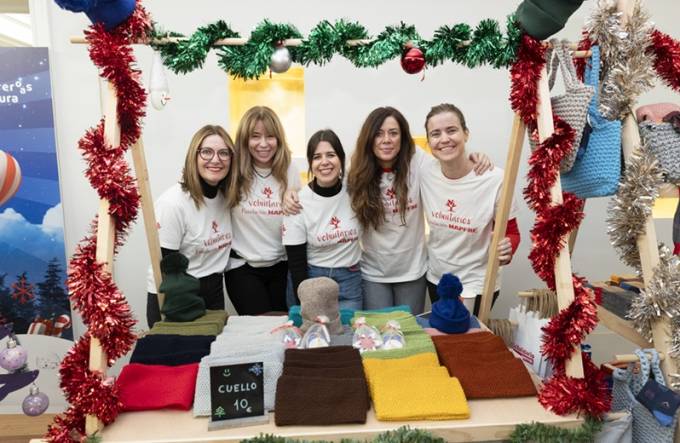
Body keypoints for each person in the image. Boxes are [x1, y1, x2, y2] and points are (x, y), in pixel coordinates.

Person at [346, 107, 491, 314]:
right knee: (380, 330)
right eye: (378, 134)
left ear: (403, 137)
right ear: (369, 138)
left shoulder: (417, 161)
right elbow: (330, 193)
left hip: (413, 271)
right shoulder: (356, 171)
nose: (386, 140)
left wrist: (475, 157)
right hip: (373, 272)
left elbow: (449, 163)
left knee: (411, 329)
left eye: (393, 133)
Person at [420, 103, 520, 316]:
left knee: (469, 335)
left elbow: (512, 232)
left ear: (466, 133)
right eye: (435, 134)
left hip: (478, 283)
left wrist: (507, 248)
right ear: (428, 142)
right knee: (444, 332)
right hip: (438, 279)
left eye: (452, 130)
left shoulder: (495, 179)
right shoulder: (425, 172)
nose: (444, 139)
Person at [146, 125, 235, 327]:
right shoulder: (173, 204)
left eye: (223, 153)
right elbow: (165, 265)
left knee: (213, 348)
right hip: (176, 296)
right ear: (193, 156)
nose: (216, 159)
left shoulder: (226, 198)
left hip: (213, 291)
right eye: (207, 152)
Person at [225, 106, 300, 315]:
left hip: (281, 265)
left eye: (270, 136)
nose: (264, 144)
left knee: (282, 325)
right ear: (244, 139)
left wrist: (293, 192)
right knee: (259, 325)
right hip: (242, 267)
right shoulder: (233, 171)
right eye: (255, 136)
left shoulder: (290, 169)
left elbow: (299, 216)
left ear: (279, 139)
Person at [282, 129, 363, 310]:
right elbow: (296, 262)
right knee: (314, 328)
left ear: (341, 159)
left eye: (331, 155)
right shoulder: (297, 202)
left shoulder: (356, 192)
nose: (324, 162)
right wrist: (303, 303)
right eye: (317, 157)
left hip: (349, 279)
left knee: (349, 328)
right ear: (310, 164)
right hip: (311, 278)